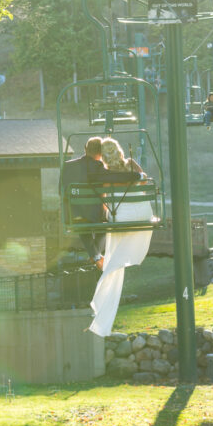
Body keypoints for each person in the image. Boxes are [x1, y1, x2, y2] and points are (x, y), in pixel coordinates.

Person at [88, 138, 155, 337]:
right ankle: (108, 270)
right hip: (143, 213)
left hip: (122, 215)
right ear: (119, 150)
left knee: (113, 254)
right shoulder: (132, 165)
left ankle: (102, 297)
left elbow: (104, 200)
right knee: (114, 258)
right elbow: (144, 181)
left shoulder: (106, 174)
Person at [61, 136, 141, 270]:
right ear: (101, 152)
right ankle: (96, 255)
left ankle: (95, 255)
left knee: (82, 221)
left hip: (72, 213)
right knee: (104, 222)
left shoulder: (68, 166)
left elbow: (61, 190)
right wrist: (136, 176)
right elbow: (113, 176)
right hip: (93, 215)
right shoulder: (96, 167)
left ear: (85, 149)